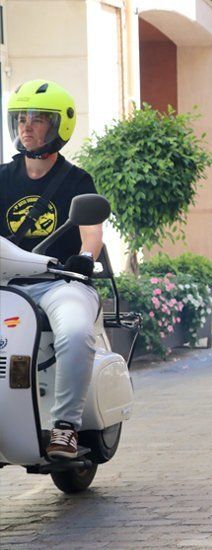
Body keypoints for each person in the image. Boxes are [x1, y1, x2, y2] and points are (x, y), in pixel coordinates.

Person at [0, 80, 103, 459]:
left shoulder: (77, 180)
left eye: (38, 119)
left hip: (61, 282)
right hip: (7, 282)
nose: (26, 127)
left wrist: (85, 259)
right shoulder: (1, 177)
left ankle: (65, 428)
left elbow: (92, 233)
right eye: (21, 119)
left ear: (59, 126)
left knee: (76, 332)